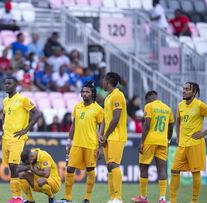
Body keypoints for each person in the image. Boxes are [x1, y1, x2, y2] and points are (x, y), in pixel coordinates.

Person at [170, 82, 207, 203]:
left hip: (195, 144)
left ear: (194, 92)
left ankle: (194, 201)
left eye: (187, 89)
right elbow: (178, 121)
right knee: (174, 170)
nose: (184, 91)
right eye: (183, 89)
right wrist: (178, 136)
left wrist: (204, 133)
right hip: (182, 144)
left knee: (195, 172)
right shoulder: (180, 105)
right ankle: (172, 200)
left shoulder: (200, 105)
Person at [131, 91, 174, 203]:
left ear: (148, 99)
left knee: (144, 167)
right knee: (162, 169)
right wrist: (168, 139)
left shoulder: (149, 106)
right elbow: (171, 126)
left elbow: (146, 124)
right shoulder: (167, 108)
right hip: (163, 141)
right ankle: (162, 198)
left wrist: (142, 142)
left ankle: (143, 197)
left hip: (150, 141)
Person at [2, 76, 41, 203]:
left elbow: (37, 113)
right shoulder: (5, 101)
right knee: (11, 166)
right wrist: (3, 128)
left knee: (14, 165)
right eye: (5, 83)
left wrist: (26, 129)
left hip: (17, 138)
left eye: (9, 83)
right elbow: (4, 115)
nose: (7, 85)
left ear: (15, 85)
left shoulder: (23, 99)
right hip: (6, 138)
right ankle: (15, 197)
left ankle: (18, 197)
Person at [64, 81, 103, 203]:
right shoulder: (77, 106)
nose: (85, 94)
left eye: (87, 92)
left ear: (92, 94)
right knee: (70, 169)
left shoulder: (98, 109)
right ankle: (68, 198)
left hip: (91, 144)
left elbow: (102, 128)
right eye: (83, 92)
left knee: (90, 170)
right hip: (77, 144)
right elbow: (73, 125)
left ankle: (87, 198)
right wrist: (69, 140)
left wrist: (101, 147)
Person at [99, 72, 127, 203]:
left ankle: (118, 197)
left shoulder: (117, 95)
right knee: (109, 166)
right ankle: (112, 198)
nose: (102, 82)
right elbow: (105, 119)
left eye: (103, 80)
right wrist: (101, 135)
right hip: (107, 136)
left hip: (117, 136)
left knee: (113, 164)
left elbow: (116, 119)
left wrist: (105, 135)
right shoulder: (108, 97)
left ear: (108, 81)